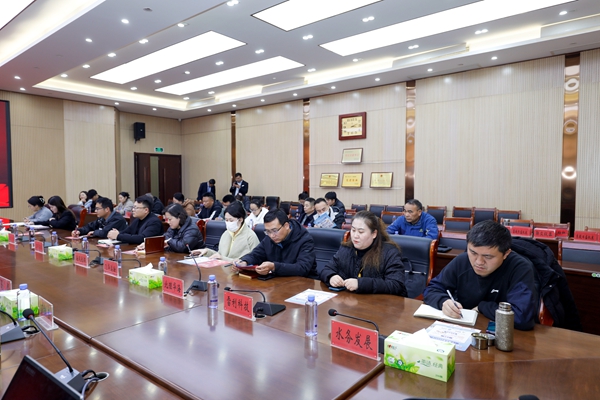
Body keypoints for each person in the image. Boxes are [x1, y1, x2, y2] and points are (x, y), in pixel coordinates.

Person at [423, 220, 537, 330]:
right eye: (473, 252)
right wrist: (443, 301)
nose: (478, 262)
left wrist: (482, 307)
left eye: (488, 256)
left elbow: (522, 317)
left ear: (506, 254)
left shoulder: (519, 268)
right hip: (464, 329)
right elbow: (432, 289)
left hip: (505, 334)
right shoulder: (462, 260)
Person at [320, 211, 407, 296]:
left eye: (361, 232)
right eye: (353, 230)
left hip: (378, 303)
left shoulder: (389, 252)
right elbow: (326, 269)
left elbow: (397, 285)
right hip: (349, 300)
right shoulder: (346, 248)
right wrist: (331, 277)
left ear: (374, 234)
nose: (355, 236)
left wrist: (361, 284)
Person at [235, 209, 317, 278]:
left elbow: (302, 268)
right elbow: (256, 254)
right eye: (268, 231)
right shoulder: (269, 238)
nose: (271, 235)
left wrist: (274, 267)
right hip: (278, 282)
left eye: (275, 231)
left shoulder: (305, 240)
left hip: (303, 283)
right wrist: (245, 262)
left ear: (286, 226)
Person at [191, 202, 259, 261]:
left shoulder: (250, 236)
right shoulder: (226, 234)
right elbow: (220, 255)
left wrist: (223, 258)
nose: (228, 223)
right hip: (223, 268)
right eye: (226, 220)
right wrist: (206, 252)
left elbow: (253, 261)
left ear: (241, 219)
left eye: (231, 220)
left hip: (239, 271)